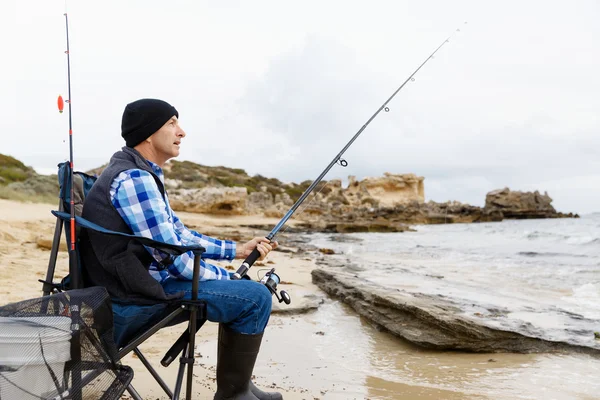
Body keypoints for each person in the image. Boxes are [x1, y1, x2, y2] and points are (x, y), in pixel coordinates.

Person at [80, 98, 282, 400]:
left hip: (130, 283)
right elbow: (172, 258)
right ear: (148, 133)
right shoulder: (134, 178)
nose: (181, 132)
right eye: (172, 123)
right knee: (255, 298)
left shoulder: (140, 172)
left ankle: (240, 388)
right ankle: (233, 394)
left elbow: (178, 236)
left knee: (246, 291)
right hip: (131, 296)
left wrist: (237, 251)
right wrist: (226, 277)